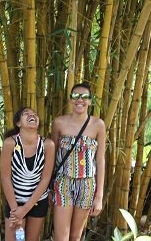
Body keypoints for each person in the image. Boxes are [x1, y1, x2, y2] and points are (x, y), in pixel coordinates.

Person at [51, 82, 106, 241]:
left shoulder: (98, 125)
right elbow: (52, 156)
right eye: (75, 96)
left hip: (87, 185)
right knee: (61, 237)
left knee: (75, 237)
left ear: (90, 101)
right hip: (63, 182)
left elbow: (100, 160)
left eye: (84, 97)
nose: (79, 100)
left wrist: (99, 196)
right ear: (70, 99)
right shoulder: (59, 123)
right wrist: (49, 187)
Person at [0, 107, 55, 241]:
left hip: (37, 201)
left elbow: (45, 179)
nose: (32, 115)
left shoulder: (48, 144)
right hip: (15, 201)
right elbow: (5, 178)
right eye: (26, 114)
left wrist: (25, 209)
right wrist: (16, 211)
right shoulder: (10, 143)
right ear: (18, 123)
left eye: (35, 114)